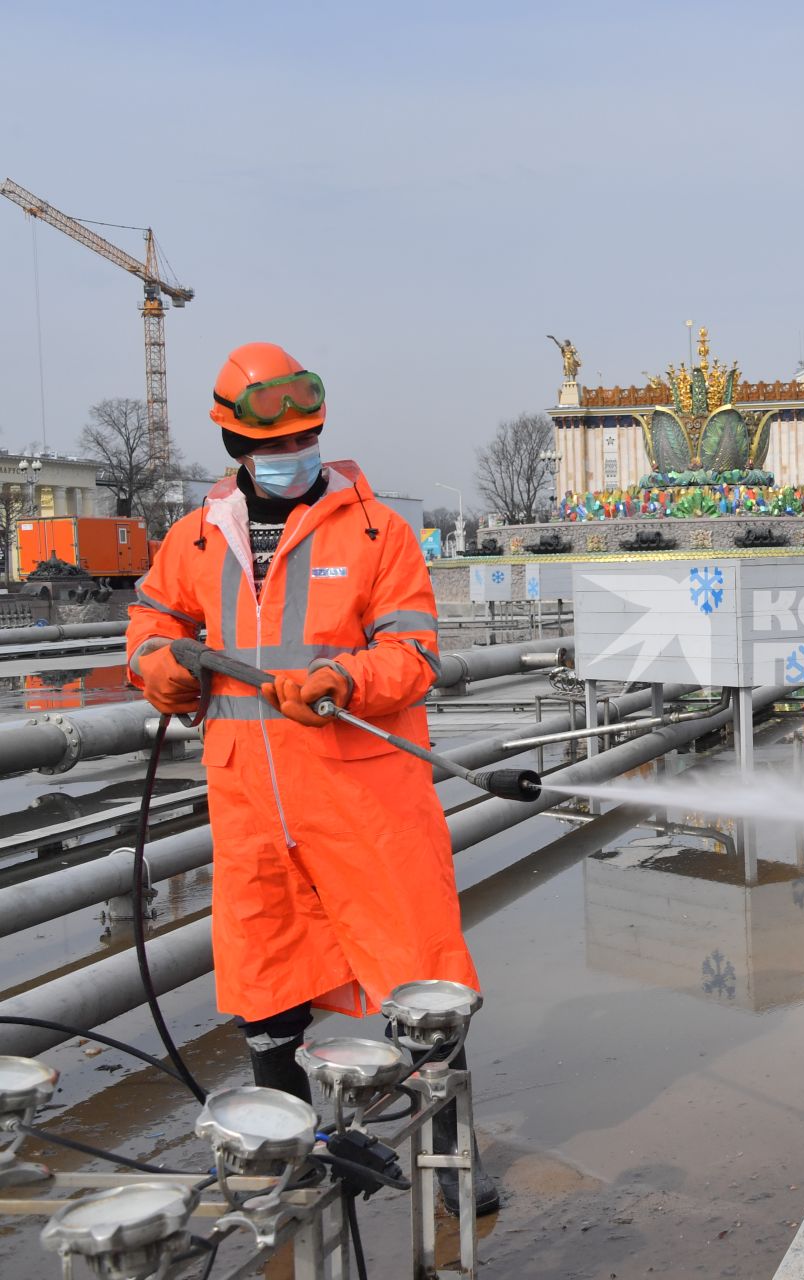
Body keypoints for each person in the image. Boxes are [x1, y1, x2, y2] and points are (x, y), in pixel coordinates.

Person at [125, 342, 500, 1215]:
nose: (290, 456)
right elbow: (152, 624)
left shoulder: (376, 533)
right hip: (252, 802)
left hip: (364, 795)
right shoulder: (193, 539)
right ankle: (293, 1156)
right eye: (270, 444)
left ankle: (452, 1157)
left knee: (423, 980)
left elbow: (413, 651)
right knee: (267, 979)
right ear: (235, 448)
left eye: (304, 437)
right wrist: (159, 668)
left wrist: (345, 679)